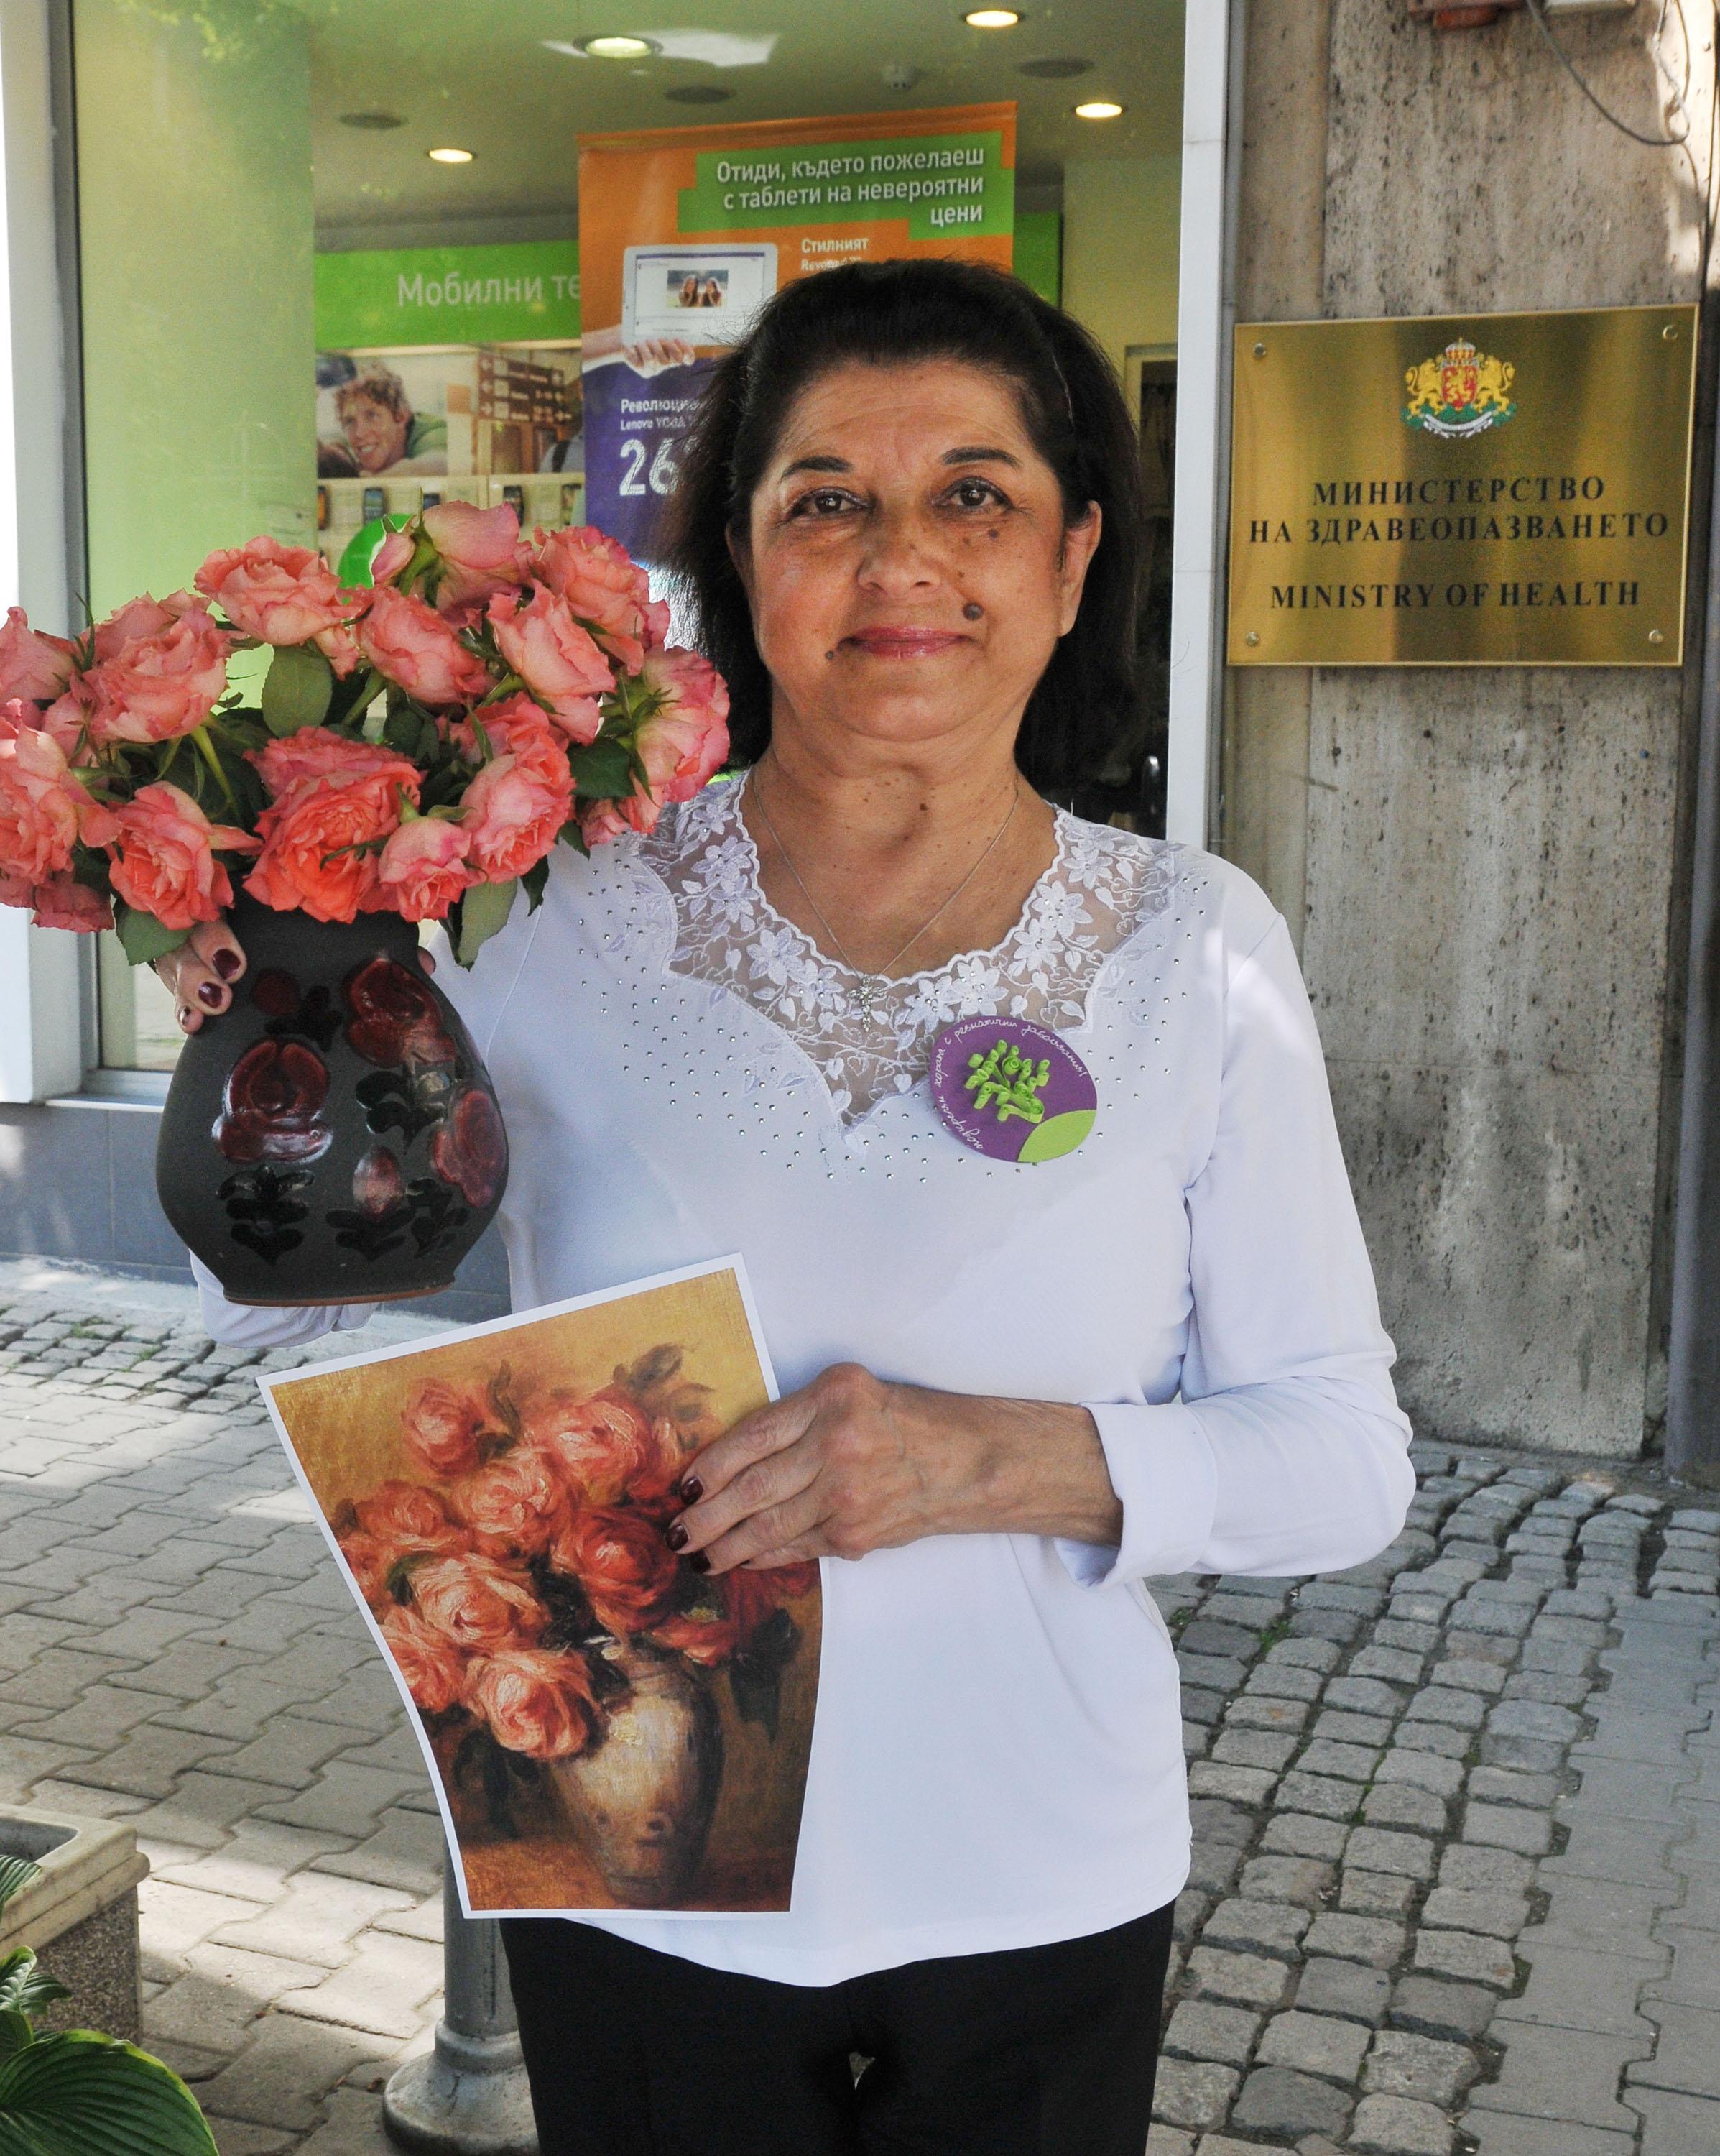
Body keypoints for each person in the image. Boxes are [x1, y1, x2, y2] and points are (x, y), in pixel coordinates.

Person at [159, 258, 1413, 2156]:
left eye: (973, 495)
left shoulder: (1193, 949)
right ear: (740, 562)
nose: (903, 560)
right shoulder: (558, 917)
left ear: (1073, 558)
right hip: (640, 1866)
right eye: (826, 500)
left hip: (1039, 1872)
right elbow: (300, 1297)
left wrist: (987, 1462)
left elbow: (1343, 1460)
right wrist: (278, 1046)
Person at [334, 364, 448, 476]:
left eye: (372, 416)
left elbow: (439, 464)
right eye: (350, 422)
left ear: (401, 417)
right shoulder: (347, 449)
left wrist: (370, 483)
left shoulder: (431, 432)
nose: (359, 433)